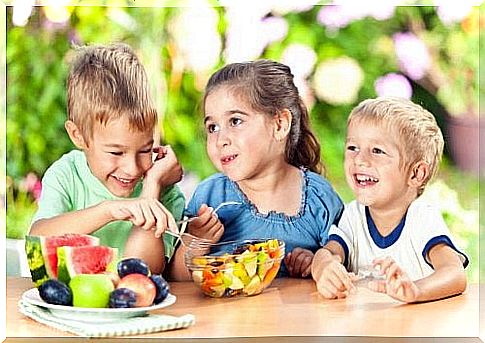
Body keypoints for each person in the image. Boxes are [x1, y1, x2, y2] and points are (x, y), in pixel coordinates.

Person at [166, 60, 343, 280]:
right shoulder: (209, 197)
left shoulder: (319, 197)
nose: (221, 139)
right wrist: (197, 241)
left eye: (236, 121)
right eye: (213, 127)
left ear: (279, 125)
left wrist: (315, 260)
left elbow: (342, 257)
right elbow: (178, 280)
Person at [29, 43, 185, 274]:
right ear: (78, 136)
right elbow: (36, 243)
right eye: (116, 152)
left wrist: (152, 188)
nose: (132, 169)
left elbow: (141, 273)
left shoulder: (164, 187)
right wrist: (109, 210)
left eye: (144, 150)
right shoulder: (66, 174)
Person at [311, 97, 468, 303]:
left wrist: (415, 291)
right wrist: (325, 268)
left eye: (377, 151)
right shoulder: (354, 215)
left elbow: (454, 274)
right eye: (352, 148)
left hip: (415, 330)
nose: (359, 159)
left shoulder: (421, 218)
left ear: (416, 174)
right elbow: (329, 252)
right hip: (366, 332)